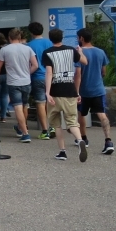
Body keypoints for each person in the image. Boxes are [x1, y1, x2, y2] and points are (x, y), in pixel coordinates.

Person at [42, 28, 89, 162]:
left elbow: (49, 73)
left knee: (56, 124)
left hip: (55, 93)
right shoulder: (71, 50)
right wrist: (80, 52)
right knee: (72, 122)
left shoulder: (47, 53)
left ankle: (62, 152)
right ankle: (80, 140)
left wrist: (47, 92)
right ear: (62, 37)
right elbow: (85, 62)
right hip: (70, 91)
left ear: (50, 38)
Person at [0, 27, 38, 144]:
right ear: (19, 37)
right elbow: (35, 65)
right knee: (25, 105)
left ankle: (25, 133)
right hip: (26, 81)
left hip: (13, 82)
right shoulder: (28, 49)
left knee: (17, 107)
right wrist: (27, 73)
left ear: (9, 37)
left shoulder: (4, 50)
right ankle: (22, 127)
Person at [75, 28, 115, 155]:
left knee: (81, 113)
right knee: (102, 113)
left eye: (78, 37)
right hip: (98, 89)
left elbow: (78, 74)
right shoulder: (100, 52)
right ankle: (108, 141)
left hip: (84, 90)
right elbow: (104, 72)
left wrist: (76, 91)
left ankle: (84, 139)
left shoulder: (79, 54)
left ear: (81, 38)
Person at [26, 21, 54, 140]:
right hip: (50, 76)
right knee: (49, 102)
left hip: (37, 77)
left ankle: (44, 130)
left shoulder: (29, 45)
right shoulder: (49, 43)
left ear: (31, 32)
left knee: (40, 103)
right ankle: (52, 126)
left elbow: (29, 63)